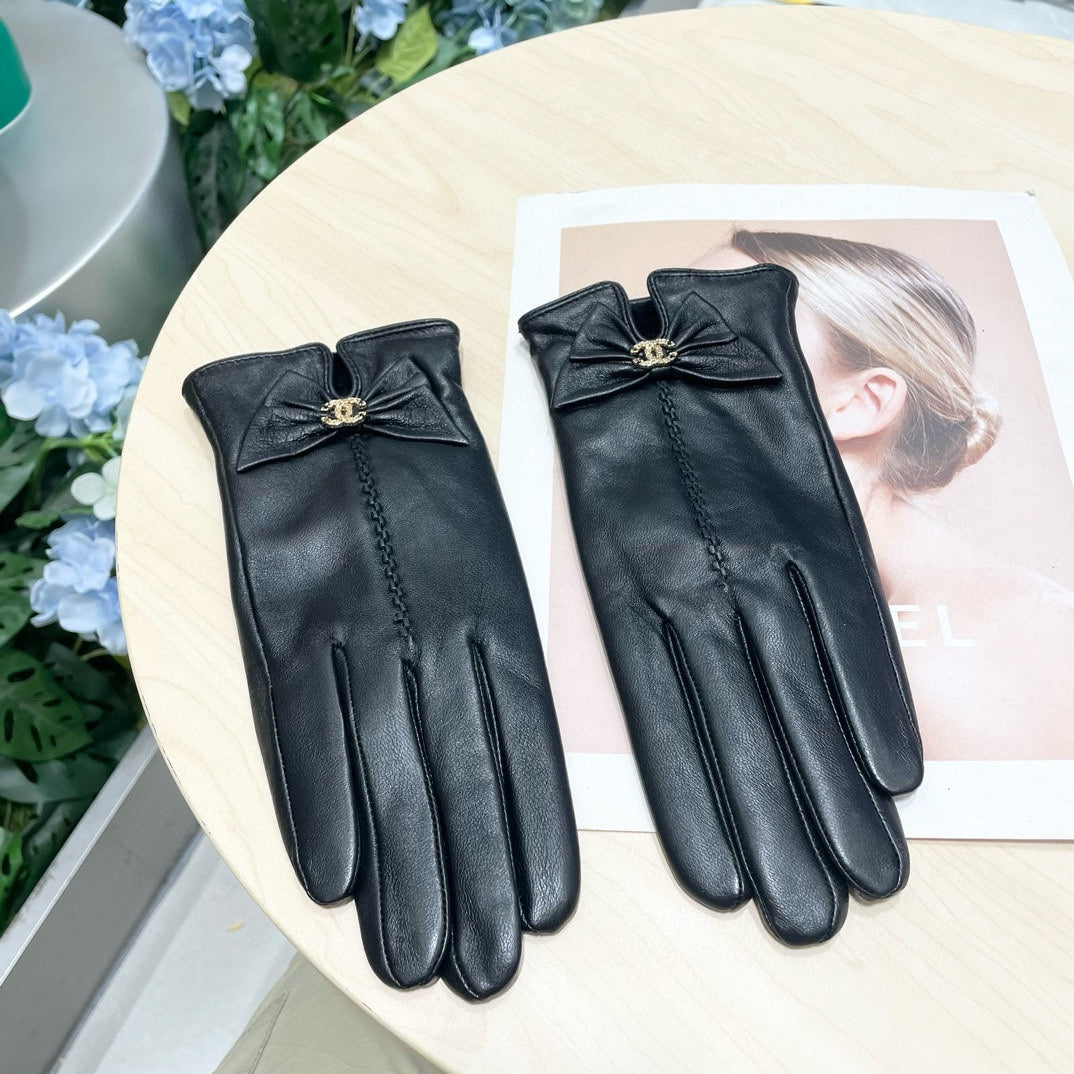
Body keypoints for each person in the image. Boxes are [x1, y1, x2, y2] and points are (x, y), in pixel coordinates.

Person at [693, 229, 1074, 760]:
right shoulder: (789, 592)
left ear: (862, 403)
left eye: (714, 342)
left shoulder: (962, 666)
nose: (659, 364)